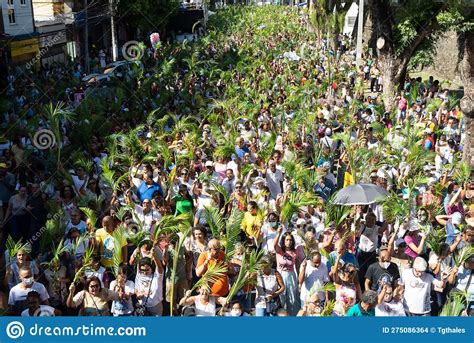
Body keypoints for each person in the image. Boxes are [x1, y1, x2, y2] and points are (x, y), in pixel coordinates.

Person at [274, 227, 303, 316]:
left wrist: (299, 279)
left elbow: (297, 266)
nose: (289, 242)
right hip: (280, 275)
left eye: (290, 240)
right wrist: (278, 234)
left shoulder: (295, 251)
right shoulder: (280, 250)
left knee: (292, 298)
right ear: (284, 240)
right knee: (281, 297)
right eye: (287, 240)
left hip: (291, 275)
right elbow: (274, 245)